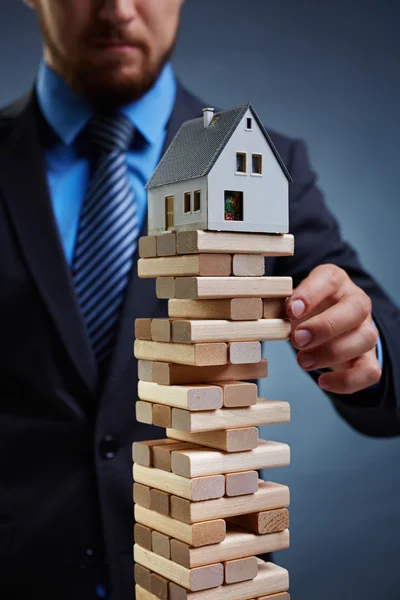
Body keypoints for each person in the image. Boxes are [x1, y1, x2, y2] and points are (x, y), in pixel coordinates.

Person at [0, 0, 399, 598]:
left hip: (207, 558)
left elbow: (377, 334)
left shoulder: (268, 161)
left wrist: (363, 349)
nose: (118, 9)